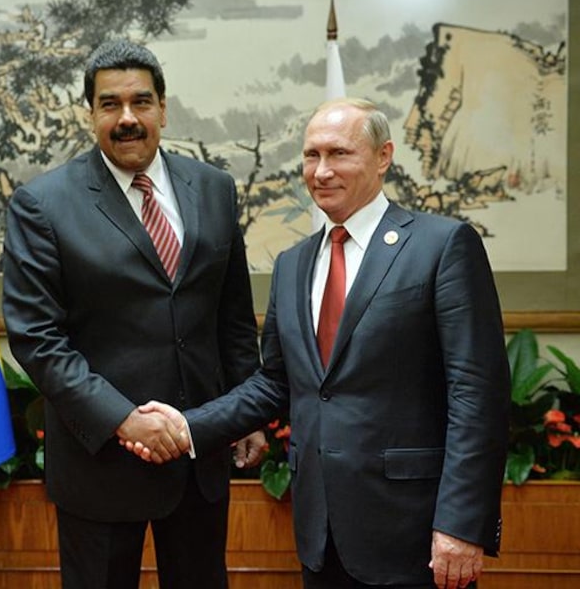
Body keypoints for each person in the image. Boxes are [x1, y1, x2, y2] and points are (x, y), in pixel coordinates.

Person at [132, 98, 511, 589]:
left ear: (383, 156)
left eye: (339, 154)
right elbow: (275, 383)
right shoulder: (294, 263)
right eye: (311, 156)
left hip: (415, 534)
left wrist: (462, 524)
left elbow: (477, 394)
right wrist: (186, 426)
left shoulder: (442, 246)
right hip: (320, 532)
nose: (322, 171)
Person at [2, 38, 264, 589]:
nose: (127, 118)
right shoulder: (42, 204)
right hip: (101, 462)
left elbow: (232, 314)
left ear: (163, 109)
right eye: (110, 104)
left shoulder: (214, 188)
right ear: (90, 113)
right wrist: (125, 418)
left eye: (141, 102)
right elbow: (37, 339)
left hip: (200, 452)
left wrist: (243, 413)